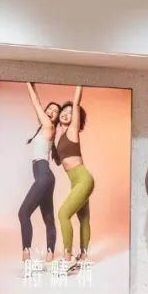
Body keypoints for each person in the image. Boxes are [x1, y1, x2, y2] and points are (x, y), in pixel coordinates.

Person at [18, 82, 60, 268]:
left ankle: (26, 253)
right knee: (48, 218)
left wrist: (27, 83)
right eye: (50, 109)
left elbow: (36, 103)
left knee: (23, 213)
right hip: (46, 177)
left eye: (55, 111)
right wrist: (33, 86)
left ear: (56, 118)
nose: (51, 111)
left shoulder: (49, 126)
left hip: (43, 175)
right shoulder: (44, 128)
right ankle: (50, 253)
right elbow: (39, 105)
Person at [53, 85, 95, 262]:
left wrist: (79, 82)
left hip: (83, 178)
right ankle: (83, 256)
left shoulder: (72, 130)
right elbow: (58, 161)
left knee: (63, 214)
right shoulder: (60, 138)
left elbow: (76, 103)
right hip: (76, 181)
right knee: (83, 218)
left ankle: (67, 257)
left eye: (70, 113)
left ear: (75, 118)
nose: (66, 113)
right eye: (64, 110)